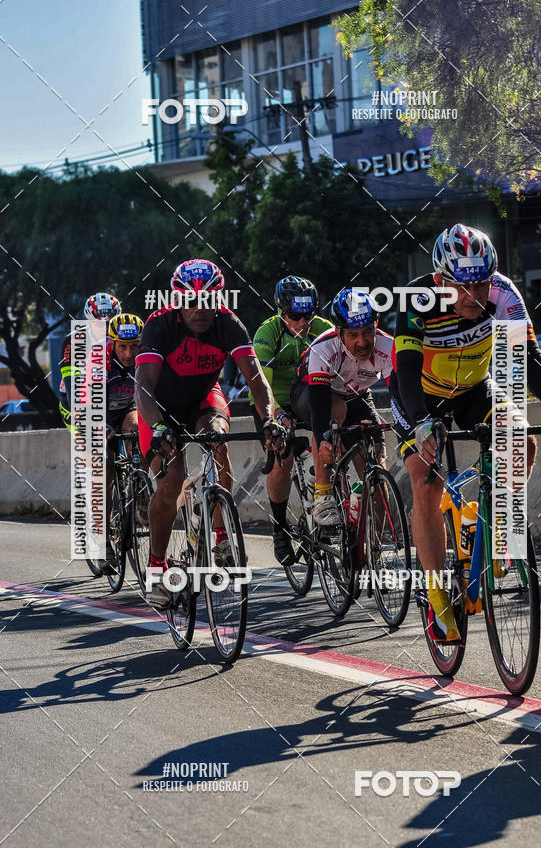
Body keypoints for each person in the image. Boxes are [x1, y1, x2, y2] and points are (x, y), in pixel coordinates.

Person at [390, 223, 541, 644]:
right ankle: (437, 593)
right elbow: (404, 369)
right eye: (464, 287)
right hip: (420, 396)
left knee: (522, 441)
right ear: (441, 281)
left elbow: (527, 355)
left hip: (475, 389)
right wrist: (422, 422)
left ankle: (500, 527)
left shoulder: (503, 293)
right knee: (426, 481)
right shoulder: (417, 300)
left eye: (482, 283)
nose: (476, 296)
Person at [135, 258, 281, 608]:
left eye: (209, 302)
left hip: (203, 398)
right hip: (160, 406)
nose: (200, 311)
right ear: (177, 301)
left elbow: (257, 380)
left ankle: (221, 535)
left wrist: (270, 420)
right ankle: (157, 569)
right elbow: (143, 387)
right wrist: (158, 427)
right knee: (171, 481)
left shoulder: (229, 323)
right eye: (192, 303)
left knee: (218, 440)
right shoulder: (160, 325)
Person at [291, 288, 394, 526]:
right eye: (353, 334)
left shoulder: (387, 346)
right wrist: (324, 438)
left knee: (376, 461)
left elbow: (398, 393)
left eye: (368, 332)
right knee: (335, 409)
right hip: (311, 393)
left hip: (357, 395)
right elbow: (319, 404)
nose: (362, 342)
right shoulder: (324, 348)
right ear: (339, 333)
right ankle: (323, 494)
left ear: (375, 325)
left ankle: (374, 546)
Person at [250, 275, 333, 565]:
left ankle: (326, 503)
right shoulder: (268, 332)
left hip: (306, 397)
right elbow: (261, 382)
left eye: (307, 315)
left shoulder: (323, 329)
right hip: (272, 401)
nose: (301, 323)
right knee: (282, 459)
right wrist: (275, 415)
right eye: (293, 316)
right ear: (280, 311)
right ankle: (279, 527)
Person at [98, 313, 145, 572]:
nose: (129, 353)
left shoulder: (145, 356)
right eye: (122, 347)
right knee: (104, 473)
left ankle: (138, 485)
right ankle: (103, 543)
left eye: (134, 346)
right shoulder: (99, 359)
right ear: (111, 343)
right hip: (97, 410)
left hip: (127, 408)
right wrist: (100, 425)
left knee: (139, 427)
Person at [58, 293, 121, 434]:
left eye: (109, 324)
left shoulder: (121, 339)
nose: (105, 329)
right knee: (92, 445)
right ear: (88, 321)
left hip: (114, 397)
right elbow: (72, 385)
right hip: (76, 398)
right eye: (99, 324)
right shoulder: (75, 342)